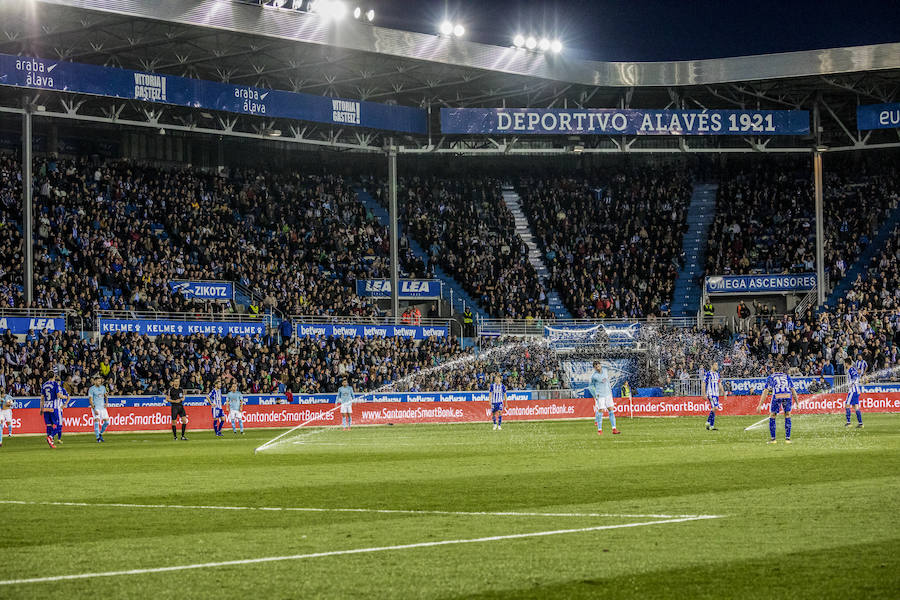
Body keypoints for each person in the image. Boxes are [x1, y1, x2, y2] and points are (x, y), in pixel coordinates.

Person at [757, 370, 798, 444]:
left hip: (777, 395)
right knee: (787, 414)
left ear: (773, 370)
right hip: (787, 395)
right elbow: (793, 390)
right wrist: (797, 402)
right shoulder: (786, 376)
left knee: (773, 415)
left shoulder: (771, 376)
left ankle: (773, 440)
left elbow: (765, 391)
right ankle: (787, 439)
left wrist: (760, 405)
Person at [589, 361, 619, 435]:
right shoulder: (594, 376)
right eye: (596, 367)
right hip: (600, 395)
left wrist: (610, 390)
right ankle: (599, 430)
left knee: (611, 410)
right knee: (601, 411)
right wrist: (595, 395)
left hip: (608, 394)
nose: (598, 368)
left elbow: (607, 381)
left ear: (600, 365)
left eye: (598, 366)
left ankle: (614, 429)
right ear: (594, 368)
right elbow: (591, 386)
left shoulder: (605, 371)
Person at [40, 372, 65, 449]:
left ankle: (51, 442)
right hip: (53, 407)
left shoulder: (44, 385)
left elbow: (42, 398)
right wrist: (64, 397)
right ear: (54, 376)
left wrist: (41, 409)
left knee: (49, 425)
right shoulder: (55, 384)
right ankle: (50, 437)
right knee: (59, 426)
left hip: (46, 408)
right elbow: (58, 395)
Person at [87, 375, 110, 443]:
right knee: (97, 421)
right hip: (96, 407)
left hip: (103, 407)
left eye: (100, 381)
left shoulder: (103, 388)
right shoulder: (91, 389)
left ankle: (100, 433)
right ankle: (98, 438)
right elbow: (90, 400)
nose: (99, 382)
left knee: (107, 422)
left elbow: (105, 396)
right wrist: (94, 409)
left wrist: (106, 402)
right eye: (98, 381)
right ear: (95, 381)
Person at [701, 362, 723, 431]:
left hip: (716, 394)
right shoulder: (708, 374)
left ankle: (711, 426)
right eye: (716, 365)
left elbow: (719, 384)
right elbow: (703, 383)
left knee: (714, 409)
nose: (717, 366)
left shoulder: (717, 374)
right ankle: (708, 422)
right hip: (711, 393)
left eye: (717, 365)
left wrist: (723, 392)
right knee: (715, 408)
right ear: (712, 365)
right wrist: (703, 394)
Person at [843, 358, 863, 428]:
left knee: (847, 405)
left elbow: (855, 377)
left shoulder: (851, 369)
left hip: (853, 391)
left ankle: (849, 423)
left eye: (844, 363)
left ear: (846, 363)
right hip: (855, 390)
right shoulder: (851, 369)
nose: (844, 365)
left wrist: (852, 383)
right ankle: (860, 423)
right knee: (855, 406)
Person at [167, 376, 189, 441]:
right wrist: (174, 401)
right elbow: (167, 399)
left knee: (184, 420)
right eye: (176, 381)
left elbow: (183, 397)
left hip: (180, 406)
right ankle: (175, 437)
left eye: (178, 382)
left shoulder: (181, 389)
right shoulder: (170, 390)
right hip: (174, 407)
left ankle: (182, 436)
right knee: (174, 422)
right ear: (173, 382)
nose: (177, 383)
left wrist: (181, 399)